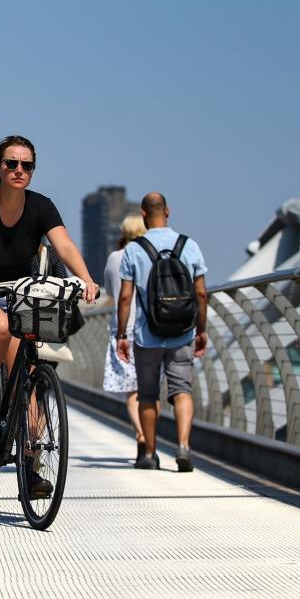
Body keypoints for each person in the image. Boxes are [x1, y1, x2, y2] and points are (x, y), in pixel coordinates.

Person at [0, 136, 99, 493]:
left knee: (28, 381)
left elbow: (63, 245)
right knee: (0, 328)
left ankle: (31, 467)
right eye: (11, 164)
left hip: (20, 296)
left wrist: (86, 279)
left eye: (26, 165)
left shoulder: (41, 207)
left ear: (32, 171)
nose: (19, 170)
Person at [115, 192, 208, 472]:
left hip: (147, 334)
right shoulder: (189, 245)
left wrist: (122, 334)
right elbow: (201, 293)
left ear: (143, 215)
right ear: (168, 211)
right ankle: (183, 446)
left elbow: (125, 297)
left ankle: (150, 454)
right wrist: (200, 330)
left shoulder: (134, 249)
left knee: (147, 395)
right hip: (182, 332)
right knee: (182, 390)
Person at [102, 214, 158, 463]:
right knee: (149, 389)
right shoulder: (151, 254)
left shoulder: (115, 257)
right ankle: (150, 441)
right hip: (150, 328)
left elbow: (113, 292)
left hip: (122, 328)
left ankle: (140, 434)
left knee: (131, 391)